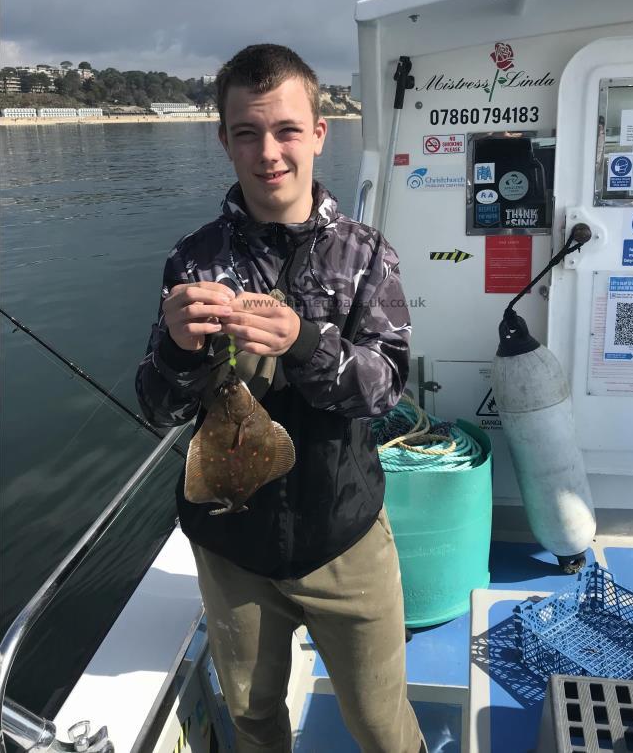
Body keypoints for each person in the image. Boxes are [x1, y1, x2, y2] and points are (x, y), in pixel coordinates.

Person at [136, 44, 425, 753]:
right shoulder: (193, 259)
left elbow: (384, 388)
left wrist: (303, 340)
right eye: (247, 132)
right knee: (254, 720)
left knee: (384, 727)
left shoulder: (364, 254)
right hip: (232, 548)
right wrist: (175, 351)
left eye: (287, 129)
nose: (269, 152)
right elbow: (159, 408)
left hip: (342, 537)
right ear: (224, 140)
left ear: (319, 132)